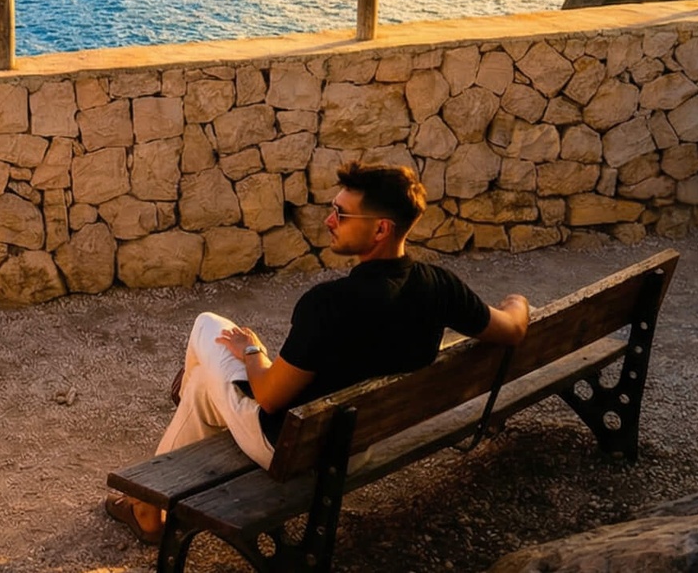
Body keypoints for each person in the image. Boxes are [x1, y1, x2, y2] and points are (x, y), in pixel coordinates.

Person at [104, 162, 531, 542]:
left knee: (206, 326)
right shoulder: (440, 286)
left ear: (380, 230)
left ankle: (155, 490)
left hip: (293, 451)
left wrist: (251, 350)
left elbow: (269, 397)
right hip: (361, 442)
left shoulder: (329, 304)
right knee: (203, 385)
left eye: (341, 214)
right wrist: (518, 300)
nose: (329, 220)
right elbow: (512, 329)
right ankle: (151, 501)